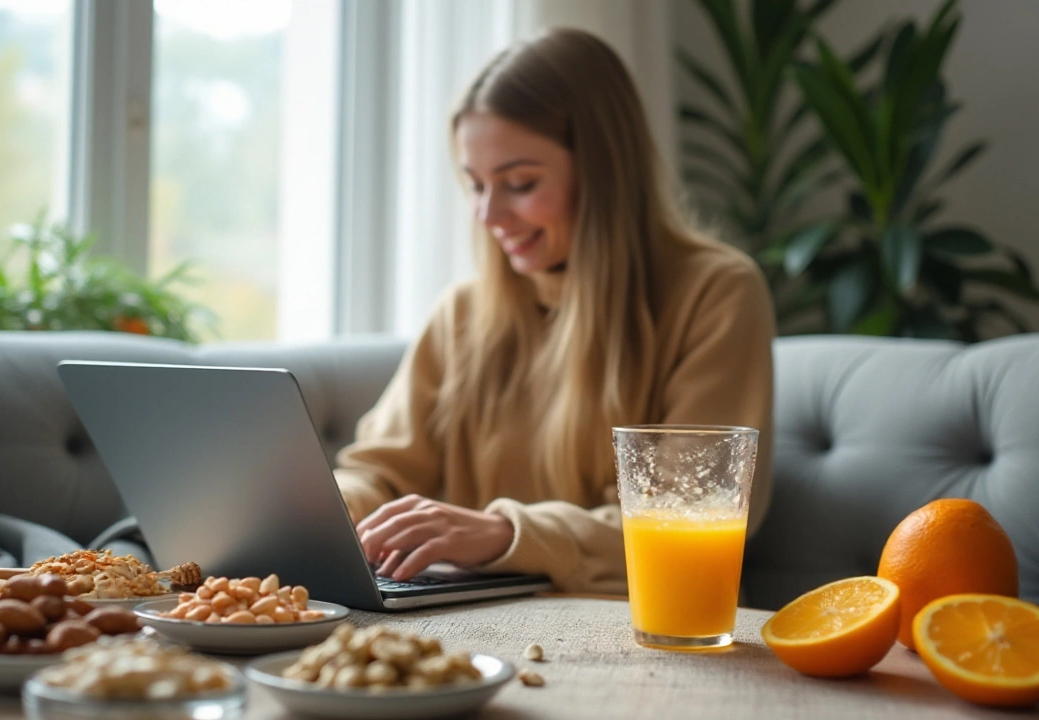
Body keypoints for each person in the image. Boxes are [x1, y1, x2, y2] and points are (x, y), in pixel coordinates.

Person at [332, 27, 775, 595]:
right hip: (468, 626)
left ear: (604, 171)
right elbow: (380, 471)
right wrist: (327, 508)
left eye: (520, 183)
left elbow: (689, 519)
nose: (490, 215)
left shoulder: (715, 293)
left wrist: (502, 533)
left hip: (641, 630)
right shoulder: (462, 313)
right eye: (475, 185)